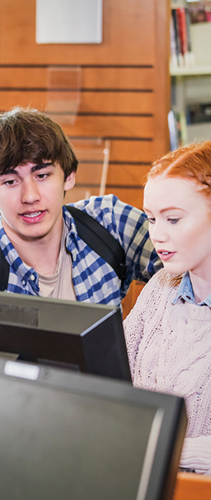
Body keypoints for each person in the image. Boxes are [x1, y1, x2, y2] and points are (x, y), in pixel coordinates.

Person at [0, 108, 160, 305]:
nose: (30, 196)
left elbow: (190, 266)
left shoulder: (108, 222)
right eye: (11, 181)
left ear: (68, 176)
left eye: (42, 175)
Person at [124, 142, 211, 475]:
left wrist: (157, 445)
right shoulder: (159, 287)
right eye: (151, 218)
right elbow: (115, 378)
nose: (157, 235)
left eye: (173, 219)